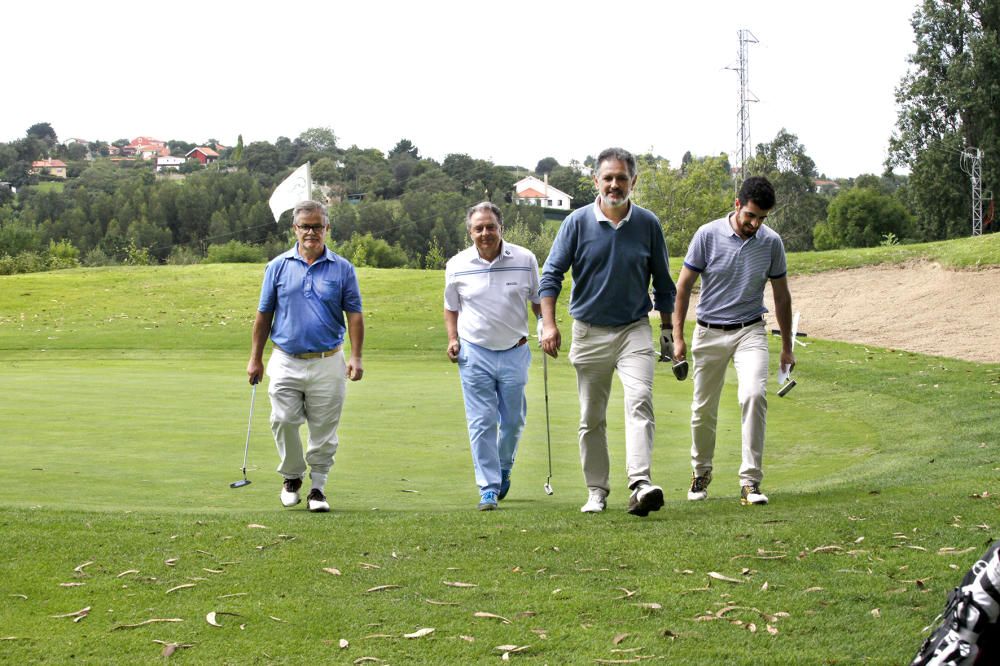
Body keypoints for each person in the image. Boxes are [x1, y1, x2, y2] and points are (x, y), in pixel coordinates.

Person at [539, 147, 677, 517]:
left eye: (621, 178)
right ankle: (597, 490)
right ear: (596, 181)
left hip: (634, 329)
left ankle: (640, 484)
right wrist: (548, 323)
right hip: (589, 330)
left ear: (633, 181)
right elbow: (550, 275)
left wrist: (667, 330)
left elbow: (664, 283)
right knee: (591, 417)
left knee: (640, 402)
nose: (615, 184)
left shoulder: (648, 224)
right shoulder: (576, 223)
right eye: (608, 178)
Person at [671, 176, 794, 506]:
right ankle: (701, 473)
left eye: (762, 218)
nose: (755, 224)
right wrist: (678, 337)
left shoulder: (771, 243)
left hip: (750, 330)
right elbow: (683, 288)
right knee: (703, 409)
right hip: (709, 331)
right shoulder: (707, 235)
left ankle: (750, 481)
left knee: (754, 395)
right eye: (750, 215)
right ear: (737, 205)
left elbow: (782, 297)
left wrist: (786, 347)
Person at [247, 200, 364, 513]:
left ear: (327, 229)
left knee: (324, 430)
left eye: (317, 226)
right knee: (282, 420)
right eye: (305, 226)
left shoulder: (342, 268)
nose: (311, 232)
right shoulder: (277, 267)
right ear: (294, 229)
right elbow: (263, 316)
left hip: (329, 359)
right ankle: (292, 475)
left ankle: (318, 489)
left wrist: (356, 357)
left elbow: (354, 315)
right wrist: (255, 358)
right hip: (285, 359)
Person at [444, 202, 541, 511]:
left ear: (501, 228)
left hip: (515, 350)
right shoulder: (457, 264)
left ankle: (503, 467)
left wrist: (546, 324)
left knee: (512, 421)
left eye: (490, 227)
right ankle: (488, 487)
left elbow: (538, 300)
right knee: (482, 421)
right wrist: (452, 338)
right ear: (470, 231)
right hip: (474, 353)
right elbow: (451, 307)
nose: (485, 233)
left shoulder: (525, 259)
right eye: (479, 228)